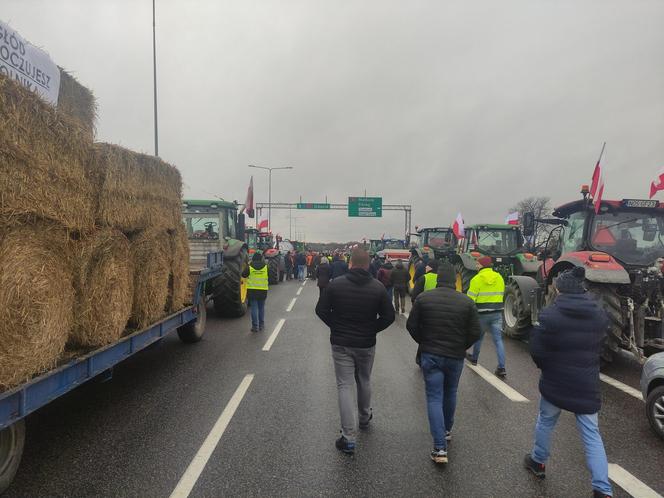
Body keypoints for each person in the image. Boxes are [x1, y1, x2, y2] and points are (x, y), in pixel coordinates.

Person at [524, 267, 612, 498]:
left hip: (555, 383)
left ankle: (538, 461)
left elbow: (537, 349)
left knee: (546, 421)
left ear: (561, 289)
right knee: (592, 435)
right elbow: (602, 343)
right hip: (586, 384)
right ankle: (603, 489)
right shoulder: (599, 313)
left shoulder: (550, 315)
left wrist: (547, 367)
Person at [315, 248, 395, 454]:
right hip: (366, 344)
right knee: (364, 379)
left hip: (341, 343)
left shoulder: (335, 285)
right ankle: (364, 417)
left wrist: (336, 326)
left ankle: (348, 437)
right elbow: (389, 317)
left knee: (344, 385)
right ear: (368, 265)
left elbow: (321, 310)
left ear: (350, 263)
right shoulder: (378, 288)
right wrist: (371, 329)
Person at [407, 263, 481, 464]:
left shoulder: (423, 298)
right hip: (455, 356)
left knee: (434, 397)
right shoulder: (466, 302)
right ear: (455, 281)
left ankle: (439, 449)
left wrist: (424, 342)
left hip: (431, 354)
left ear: (438, 279)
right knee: (450, 393)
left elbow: (411, 325)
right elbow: (476, 331)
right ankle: (447, 431)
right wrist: (461, 345)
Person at [465, 256, 507, 378]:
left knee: (479, 338)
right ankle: (501, 367)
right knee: (498, 340)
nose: (476, 266)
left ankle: (474, 359)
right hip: (497, 313)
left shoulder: (476, 279)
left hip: (481, 314)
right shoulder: (499, 277)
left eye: (477, 264)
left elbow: (470, 299)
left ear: (482, 266)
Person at [242, 251, 269, 332]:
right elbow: (270, 275)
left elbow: (243, 275)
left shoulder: (249, 267)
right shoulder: (266, 266)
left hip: (252, 291)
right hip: (263, 290)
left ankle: (255, 326)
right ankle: (261, 325)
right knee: (261, 308)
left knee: (254, 308)